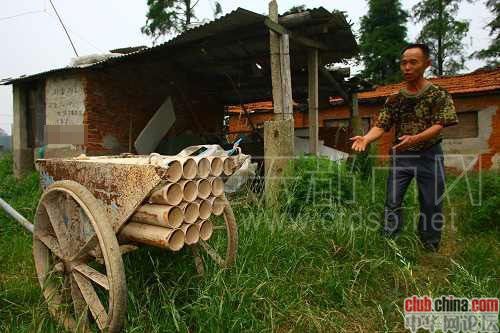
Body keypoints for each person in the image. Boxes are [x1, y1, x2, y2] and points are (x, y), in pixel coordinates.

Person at [350, 43, 458, 252]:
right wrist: (366, 138)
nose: (407, 67)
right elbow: (382, 125)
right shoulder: (395, 99)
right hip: (402, 156)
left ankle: (430, 246)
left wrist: (416, 138)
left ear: (427, 64)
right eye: (403, 63)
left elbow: (440, 124)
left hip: (429, 155)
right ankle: (389, 242)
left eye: (413, 62)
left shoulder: (438, 94)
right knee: (392, 200)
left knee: (431, 202)